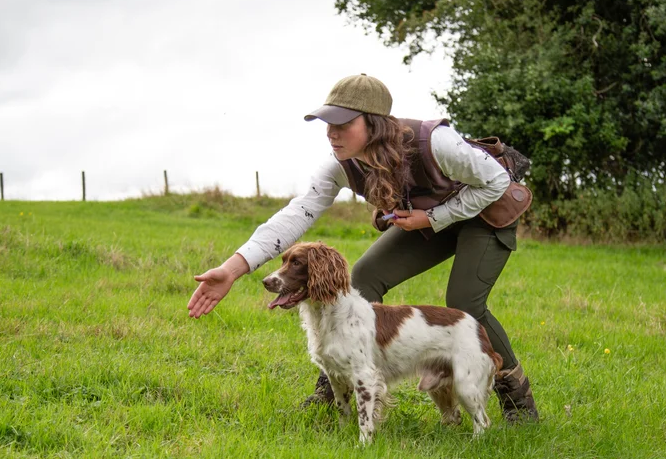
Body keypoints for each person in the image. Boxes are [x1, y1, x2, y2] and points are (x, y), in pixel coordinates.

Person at [187, 74, 538, 422]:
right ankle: (338, 380)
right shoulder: (339, 166)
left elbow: (497, 181)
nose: (331, 133)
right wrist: (233, 269)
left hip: (486, 212)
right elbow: (297, 214)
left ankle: (517, 401)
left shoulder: (435, 142)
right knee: (366, 275)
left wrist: (433, 216)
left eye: (342, 123)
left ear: (375, 125)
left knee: (465, 301)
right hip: (425, 217)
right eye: (327, 123)